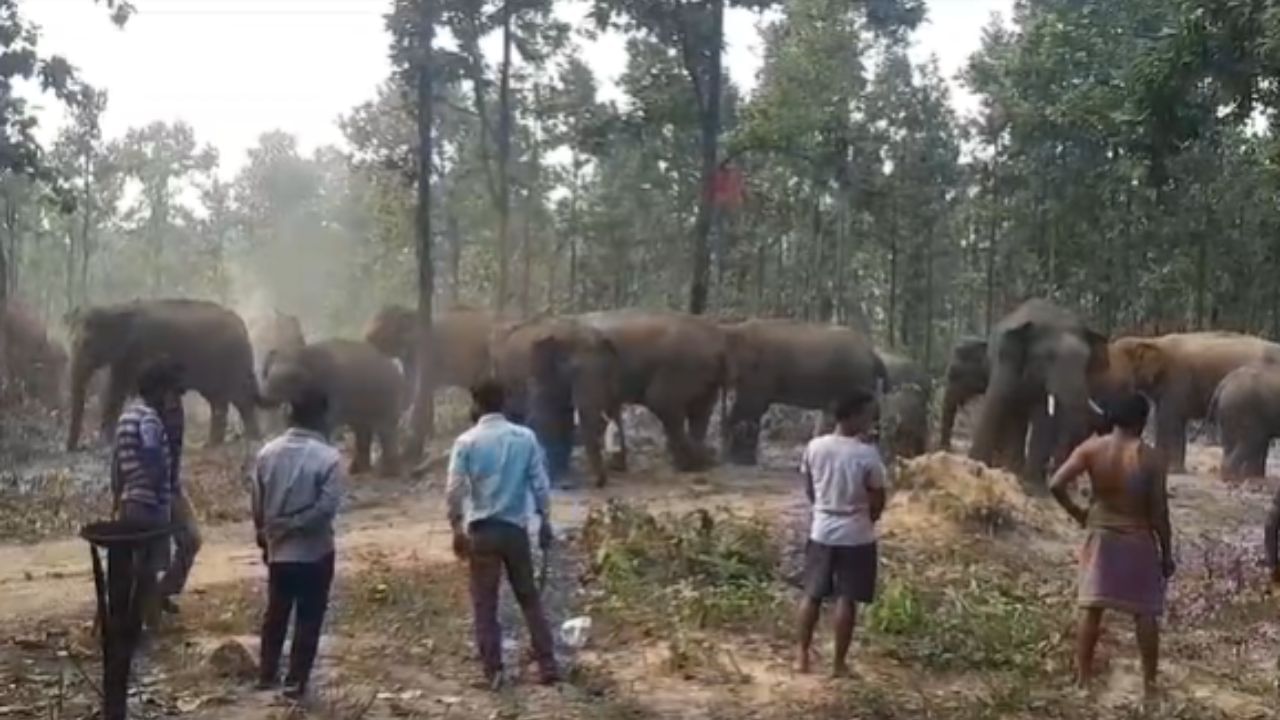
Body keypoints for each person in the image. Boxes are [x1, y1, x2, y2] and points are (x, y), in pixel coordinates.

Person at [1049, 392, 1174, 700]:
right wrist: (1167, 552)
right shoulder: (1153, 458)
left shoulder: (1092, 449)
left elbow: (1055, 484)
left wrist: (1080, 513)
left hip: (1101, 536)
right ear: (1142, 421)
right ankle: (1149, 687)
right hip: (1138, 539)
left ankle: (1083, 682)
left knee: (1091, 607)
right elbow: (1159, 512)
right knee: (1145, 614)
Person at [447, 380, 559, 687]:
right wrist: (545, 522)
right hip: (515, 530)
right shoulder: (525, 438)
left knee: (485, 604)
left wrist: (456, 528)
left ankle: (494, 672)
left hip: (482, 531)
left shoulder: (467, 441)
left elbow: (454, 490)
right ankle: (548, 664)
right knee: (529, 598)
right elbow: (540, 484)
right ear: (505, 401)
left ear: (475, 403)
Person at [252, 384, 344, 700]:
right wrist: (294, 525)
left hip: (279, 551)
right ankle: (296, 680)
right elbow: (325, 509)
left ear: (289, 413)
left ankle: (266, 674)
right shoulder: (329, 458)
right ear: (322, 417)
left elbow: (258, 505)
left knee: (275, 613)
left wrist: (267, 538)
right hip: (315, 552)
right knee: (309, 617)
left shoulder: (267, 454)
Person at [795, 390, 887, 678]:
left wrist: (824, 509)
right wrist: (867, 519)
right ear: (854, 416)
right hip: (856, 534)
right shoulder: (867, 454)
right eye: (868, 414)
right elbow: (877, 499)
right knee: (846, 599)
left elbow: (809, 488)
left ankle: (801, 657)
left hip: (821, 529)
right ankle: (838, 665)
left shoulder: (815, 447)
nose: (871, 420)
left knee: (811, 595)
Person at [111, 359, 184, 630]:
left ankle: (140, 619)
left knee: (137, 563)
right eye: (170, 392)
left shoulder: (127, 415)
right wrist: (159, 489)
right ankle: (146, 622)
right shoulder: (149, 418)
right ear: (159, 390)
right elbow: (153, 454)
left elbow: (119, 462)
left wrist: (119, 493)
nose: (172, 399)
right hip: (149, 503)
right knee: (149, 566)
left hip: (131, 498)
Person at [157, 369, 200, 615]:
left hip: (170, 487)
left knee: (191, 540)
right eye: (173, 396)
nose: (176, 404)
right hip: (158, 491)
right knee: (160, 549)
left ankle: (161, 591)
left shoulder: (172, 413)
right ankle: (151, 597)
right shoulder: (150, 419)